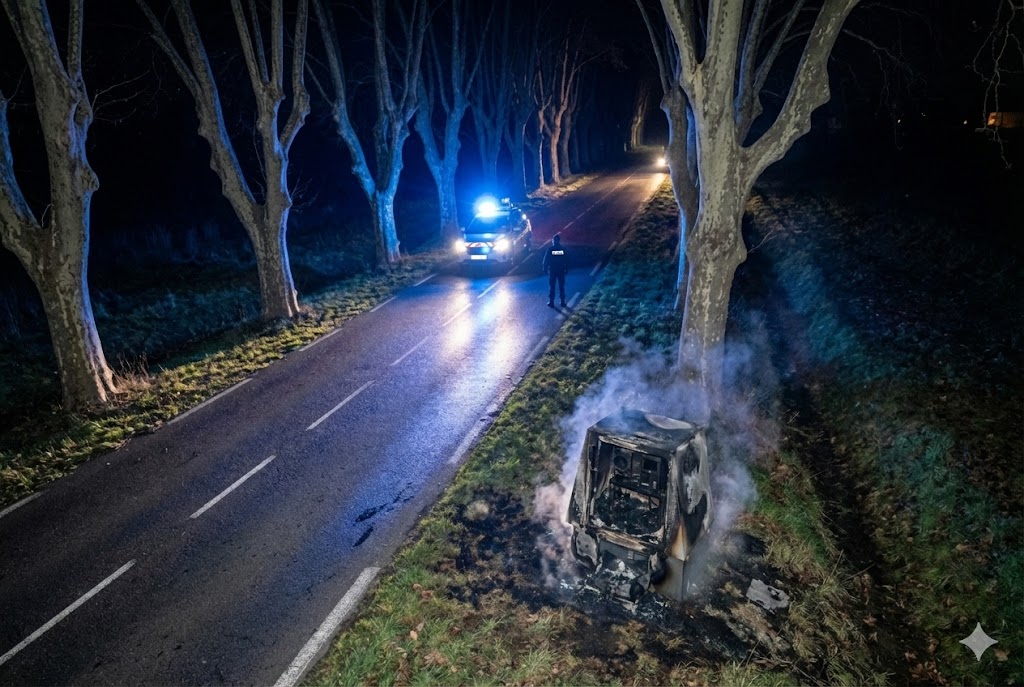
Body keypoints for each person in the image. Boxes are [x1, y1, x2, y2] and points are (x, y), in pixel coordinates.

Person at [542, 234, 569, 307]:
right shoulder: (562, 249)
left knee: (552, 286)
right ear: (559, 240)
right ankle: (562, 302)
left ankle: (551, 302)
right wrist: (566, 269)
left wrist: (545, 268)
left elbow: (546, 260)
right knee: (561, 286)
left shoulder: (550, 249)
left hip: (552, 270)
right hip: (561, 270)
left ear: (553, 241)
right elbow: (566, 260)